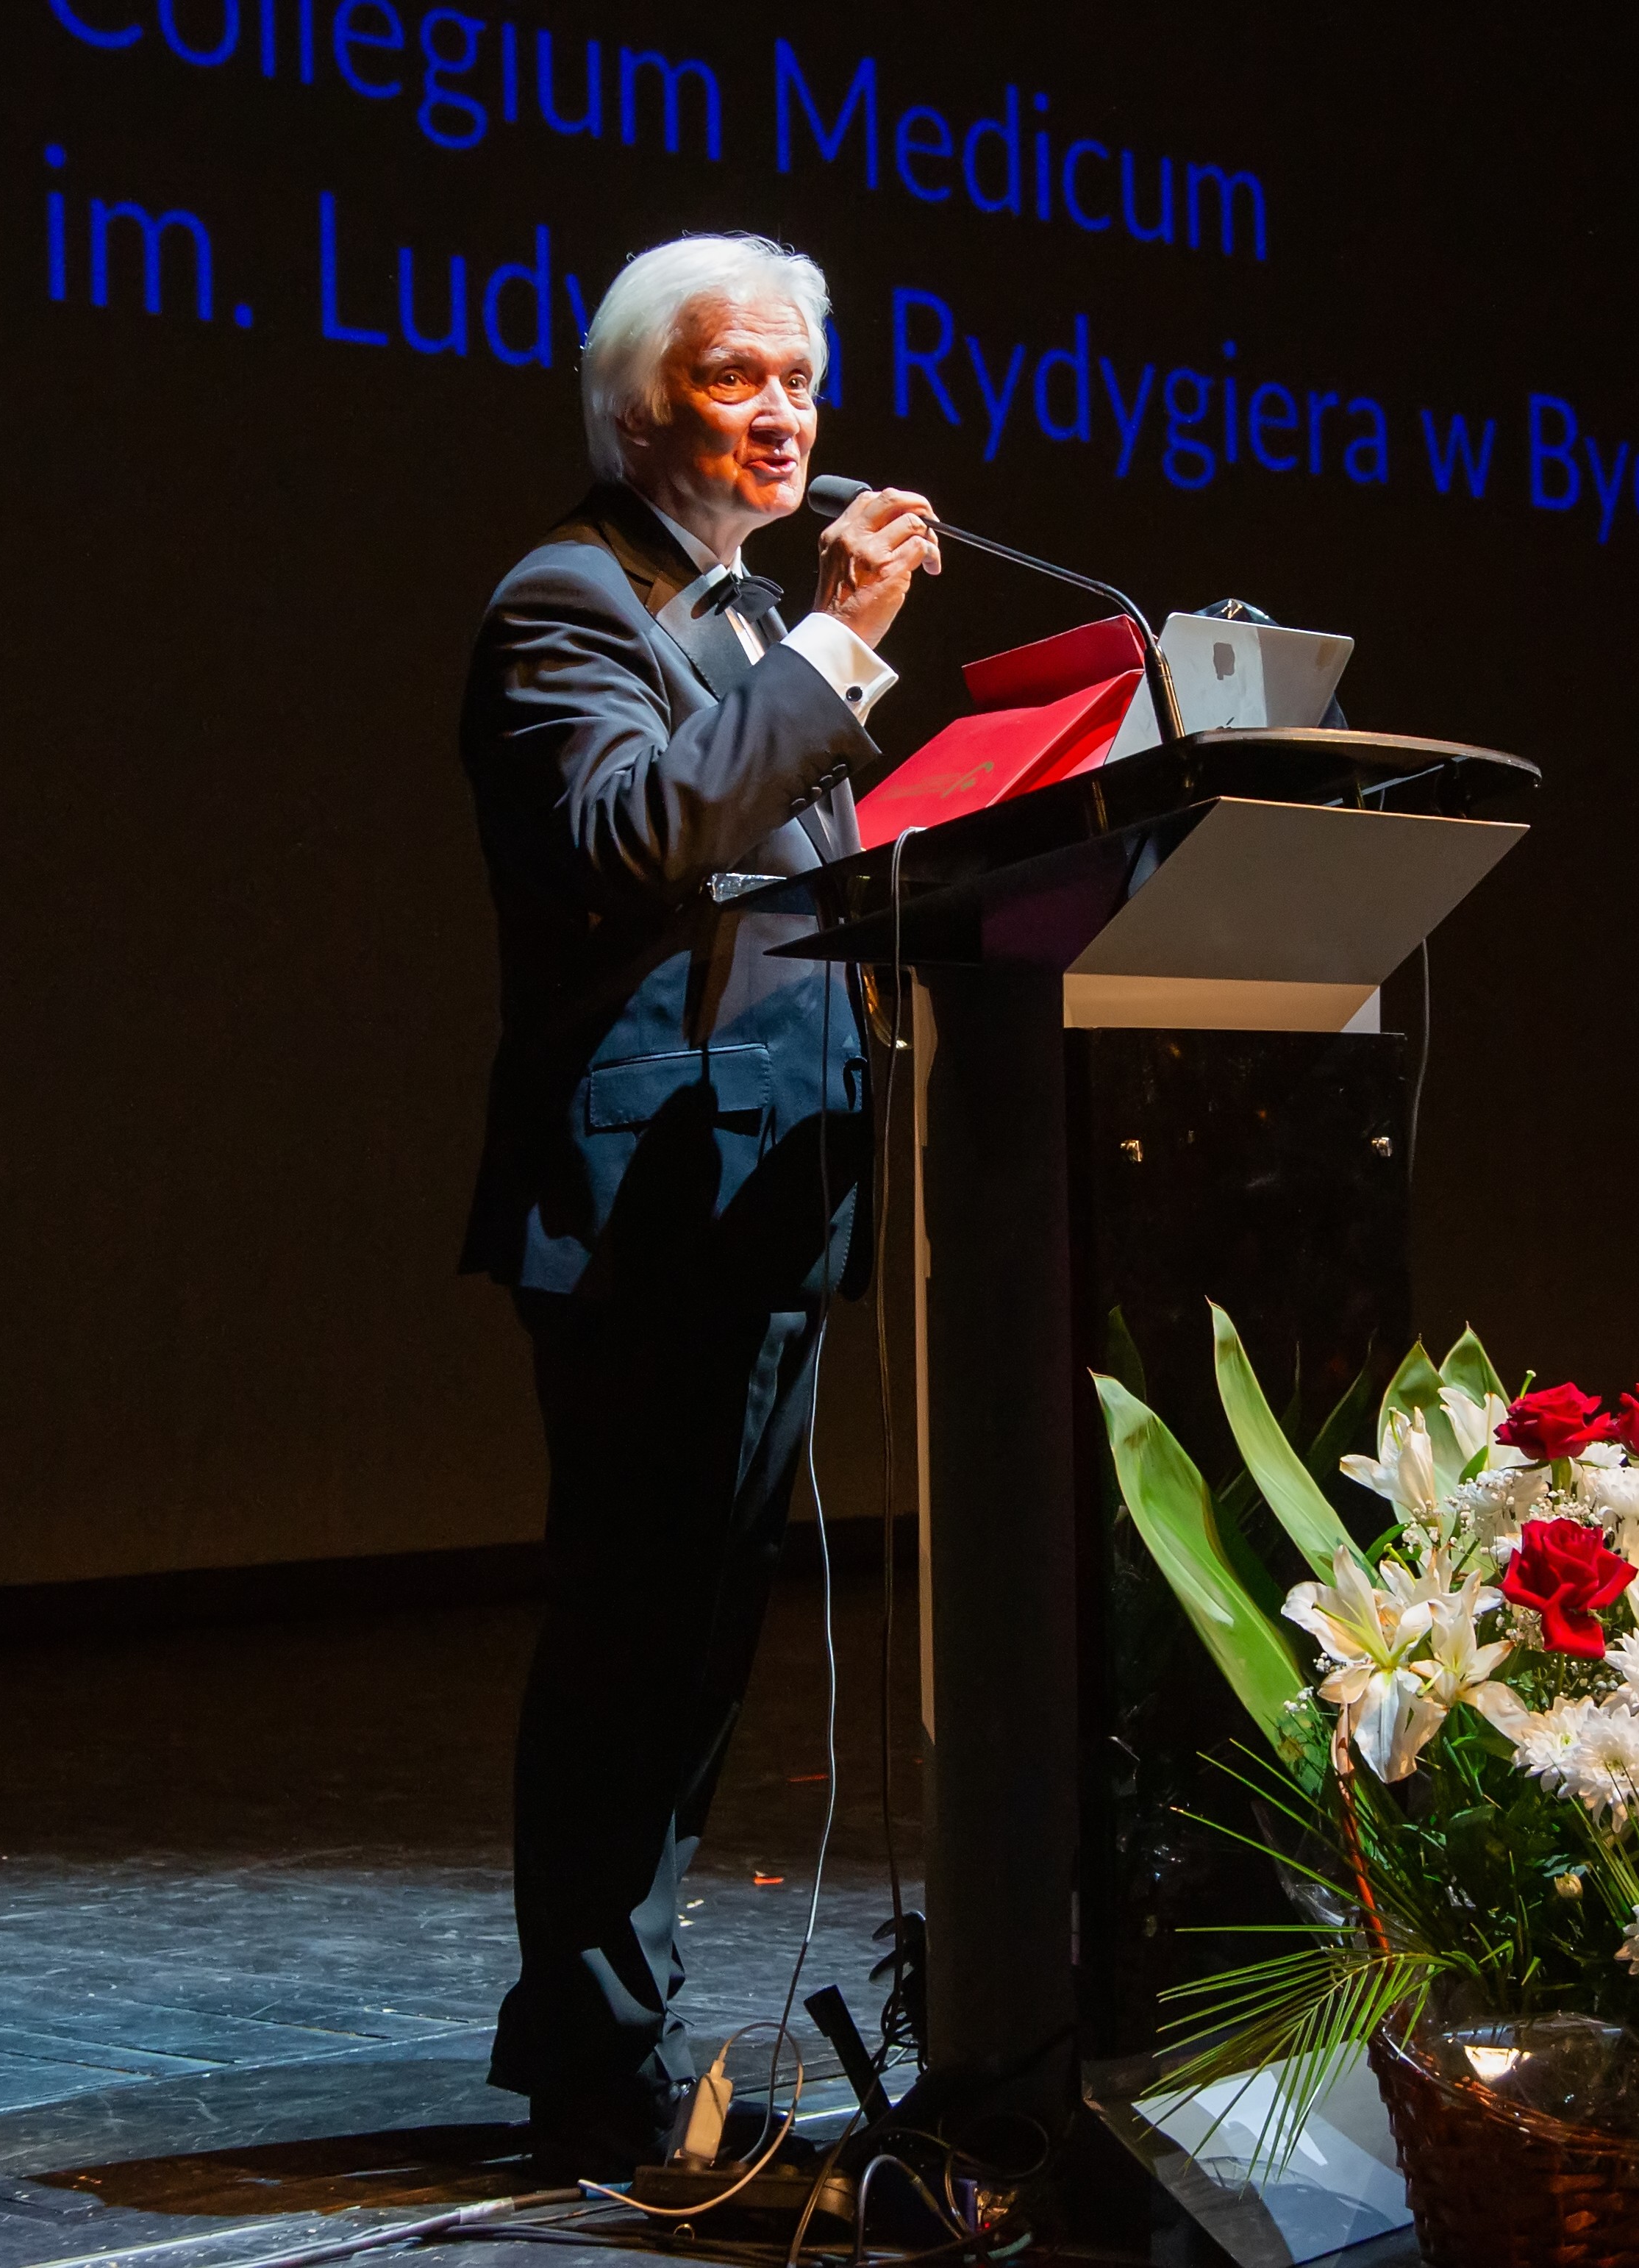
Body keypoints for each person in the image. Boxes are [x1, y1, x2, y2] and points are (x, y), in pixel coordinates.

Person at [453, 232, 941, 2178]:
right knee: (635, 1638)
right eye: (738, 378)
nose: (783, 416)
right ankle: (589, 2063)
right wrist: (834, 650)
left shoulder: (740, 627)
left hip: (766, 1193)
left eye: (802, 381)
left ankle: (613, 2040)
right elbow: (632, 836)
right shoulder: (568, 599)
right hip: (651, 1202)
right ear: (636, 405)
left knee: (694, 1642)